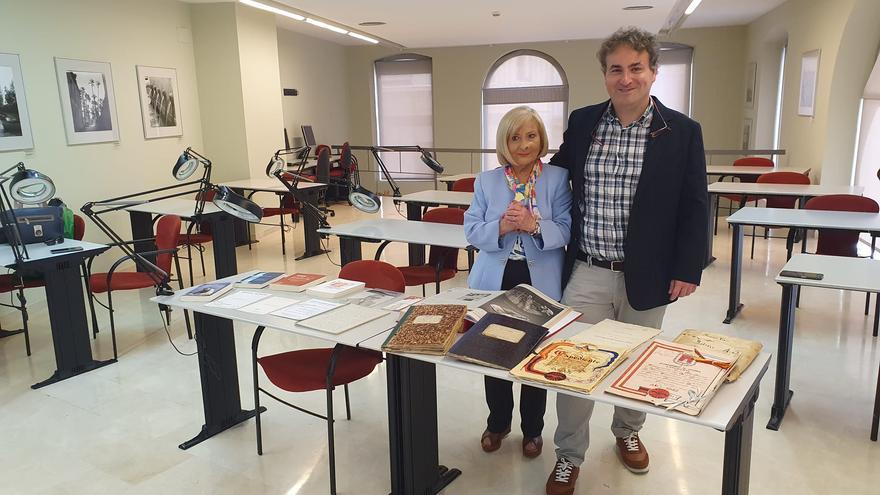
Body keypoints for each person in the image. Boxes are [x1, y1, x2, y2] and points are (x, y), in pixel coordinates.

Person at [544, 27, 708, 495]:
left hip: (649, 274)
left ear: (653, 72)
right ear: (605, 75)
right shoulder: (584, 122)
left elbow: (696, 204)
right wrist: (510, 176)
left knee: (637, 363)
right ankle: (568, 455)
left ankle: (627, 430)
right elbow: (556, 173)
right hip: (589, 270)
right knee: (575, 365)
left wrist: (687, 268)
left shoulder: (682, 132)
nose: (626, 78)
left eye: (636, 67)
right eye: (616, 69)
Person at [464, 105, 572, 459]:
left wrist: (533, 225)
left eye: (531, 135)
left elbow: (567, 230)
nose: (524, 144)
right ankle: (497, 423)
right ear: (504, 142)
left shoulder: (557, 178)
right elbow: (471, 231)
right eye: (515, 137)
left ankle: (533, 430)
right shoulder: (487, 181)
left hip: (539, 278)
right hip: (495, 278)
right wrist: (503, 227)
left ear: (541, 138)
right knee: (492, 351)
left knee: (533, 355)